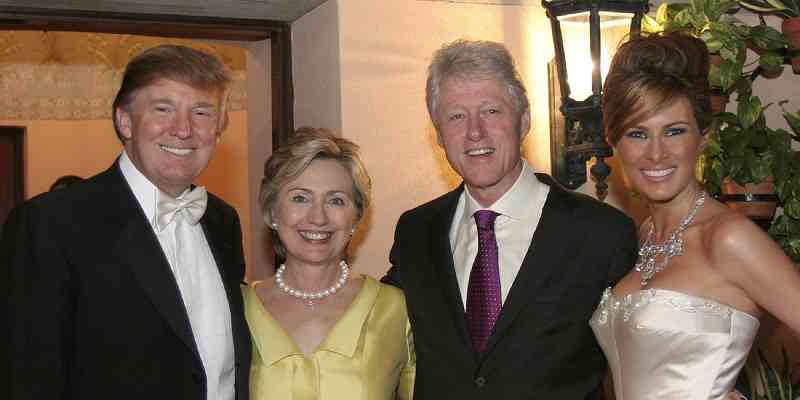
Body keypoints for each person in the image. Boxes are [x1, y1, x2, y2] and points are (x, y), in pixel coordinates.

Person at [383, 39, 638, 399]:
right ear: (438, 135)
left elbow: (655, 343)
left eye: (491, 111)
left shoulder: (600, 233)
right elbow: (369, 321)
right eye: (456, 116)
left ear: (524, 120)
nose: (475, 132)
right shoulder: (415, 232)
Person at [1, 45, 251, 400]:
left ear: (219, 129)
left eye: (201, 112)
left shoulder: (222, 221)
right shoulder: (49, 224)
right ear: (125, 121)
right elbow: (27, 379)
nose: (183, 129)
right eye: (163, 109)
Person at [591, 32, 800, 399]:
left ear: (702, 138)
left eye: (674, 131)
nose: (656, 154)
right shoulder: (643, 236)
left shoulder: (726, 237)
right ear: (614, 142)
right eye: (638, 134)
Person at [245, 127, 414, 400]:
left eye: (336, 200)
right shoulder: (236, 310)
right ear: (273, 211)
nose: (318, 217)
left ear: (356, 217)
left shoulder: (395, 310)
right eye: (300, 198)